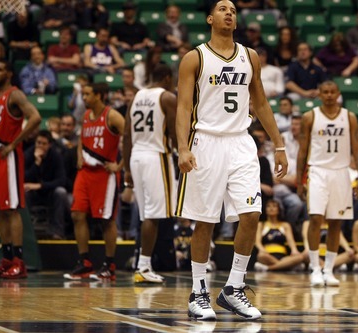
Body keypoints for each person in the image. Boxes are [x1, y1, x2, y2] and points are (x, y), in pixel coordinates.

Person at [175, 0, 287, 321]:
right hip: (206, 142)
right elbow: (183, 107)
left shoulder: (250, 56)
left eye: (234, 11)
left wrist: (278, 145)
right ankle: (198, 292)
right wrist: (183, 147)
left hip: (241, 142)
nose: (229, 13)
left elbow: (261, 102)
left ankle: (233, 288)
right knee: (206, 220)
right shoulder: (193, 57)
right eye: (223, 9)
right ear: (211, 18)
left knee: (251, 214)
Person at [296, 80, 358, 287]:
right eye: (324, 92)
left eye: (331, 92)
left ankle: (329, 269)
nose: (328, 95)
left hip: (341, 172)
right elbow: (302, 150)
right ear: (319, 94)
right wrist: (300, 180)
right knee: (316, 218)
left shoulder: (349, 117)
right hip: (317, 170)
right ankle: (315, 268)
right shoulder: (310, 117)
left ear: (338, 93)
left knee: (336, 221)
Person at [0, 61, 41, 279]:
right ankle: (6, 260)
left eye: (0, 69)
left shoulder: (15, 95)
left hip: (8, 157)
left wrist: (14, 144)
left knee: (11, 209)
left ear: (9, 73)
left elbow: (35, 117)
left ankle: (19, 261)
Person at [64, 83, 125, 281]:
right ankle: (85, 262)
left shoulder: (112, 116)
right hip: (85, 173)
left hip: (104, 174)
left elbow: (132, 138)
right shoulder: (86, 116)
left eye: (88, 94)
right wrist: (80, 154)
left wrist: (119, 165)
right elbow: (82, 138)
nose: (84, 98)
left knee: (106, 220)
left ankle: (110, 264)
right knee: (77, 214)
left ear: (99, 95)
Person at [122, 64, 177, 283]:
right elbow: (174, 133)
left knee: (147, 215)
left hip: (136, 156)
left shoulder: (136, 97)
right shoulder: (167, 97)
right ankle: (143, 266)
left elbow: (126, 135)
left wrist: (127, 168)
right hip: (157, 156)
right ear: (166, 78)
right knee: (154, 216)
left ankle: (143, 265)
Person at [24, 130, 69, 240]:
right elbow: (24, 178)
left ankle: (57, 232)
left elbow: (62, 180)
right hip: (33, 193)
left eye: (43, 144)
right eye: (38, 143)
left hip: (49, 192)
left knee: (61, 192)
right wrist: (36, 163)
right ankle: (25, 232)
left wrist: (41, 185)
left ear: (49, 145)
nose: (40, 146)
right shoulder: (28, 154)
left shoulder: (56, 156)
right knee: (23, 193)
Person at [254, 200, 305, 272]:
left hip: (283, 257)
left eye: (274, 206)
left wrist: (294, 250)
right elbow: (257, 241)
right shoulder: (261, 225)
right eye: (268, 206)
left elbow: (291, 241)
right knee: (260, 256)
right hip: (267, 255)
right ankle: (287, 266)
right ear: (265, 210)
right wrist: (262, 249)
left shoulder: (285, 225)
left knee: (299, 257)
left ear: (278, 210)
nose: (271, 208)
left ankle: (268, 268)